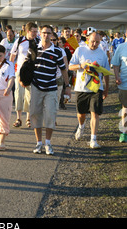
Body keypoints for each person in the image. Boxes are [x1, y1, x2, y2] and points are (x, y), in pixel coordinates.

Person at [29, 25, 70, 155]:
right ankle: (38, 143)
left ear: (52, 35)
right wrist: (23, 80)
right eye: (44, 33)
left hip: (51, 87)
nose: (46, 35)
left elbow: (64, 69)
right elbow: (27, 65)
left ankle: (48, 143)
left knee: (51, 115)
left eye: (48, 33)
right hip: (36, 86)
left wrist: (67, 87)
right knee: (35, 114)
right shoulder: (34, 48)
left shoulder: (57, 51)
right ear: (40, 34)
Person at [69, 31, 111, 149]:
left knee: (95, 113)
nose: (94, 44)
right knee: (81, 114)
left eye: (97, 42)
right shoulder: (80, 50)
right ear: (87, 39)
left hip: (96, 88)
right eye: (93, 41)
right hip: (81, 87)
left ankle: (93, 139)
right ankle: (81, 126)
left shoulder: (102, 53)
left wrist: (106, 89)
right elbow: (70, 66)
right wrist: (81, 66)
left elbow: (106, 73)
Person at [10, 22, 38, 128]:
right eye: (33, 31)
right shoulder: (20, 41)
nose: (35, 33)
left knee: (30, 96)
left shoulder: (38, 42)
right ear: (28, 31)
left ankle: (28, 118)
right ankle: (18, 118)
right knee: (18, 94)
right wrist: (11, 71)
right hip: (20, 72)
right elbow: (12, 57)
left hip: (32, 73)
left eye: (36, 31)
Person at [111, 30, 127, 143]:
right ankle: (124, 132)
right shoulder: (121, 47)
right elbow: (116, 64)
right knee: (125, 108)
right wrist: (117, 77)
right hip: (125, 83)